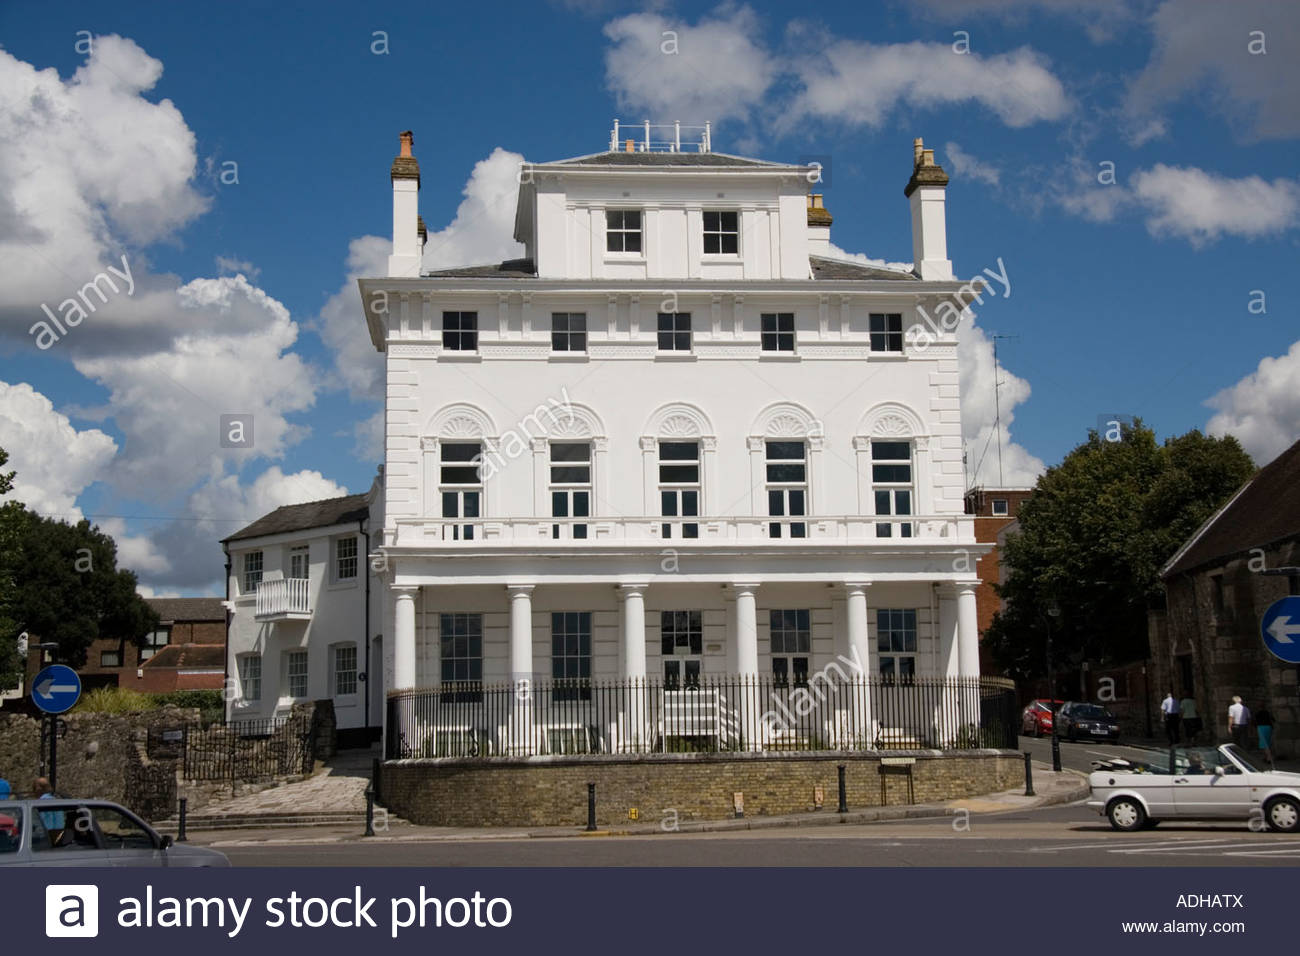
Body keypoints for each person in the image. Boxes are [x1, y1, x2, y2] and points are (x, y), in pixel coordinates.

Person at [1255, 704, 1275, 769]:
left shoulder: (1258, 713)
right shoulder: (1268, 713)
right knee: (1267, 742)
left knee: (1264, 743)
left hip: (1261, 727)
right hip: (1269, 727)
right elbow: (1273, 720)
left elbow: (1255, 721)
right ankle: (1266, 757)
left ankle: (1269, 758)